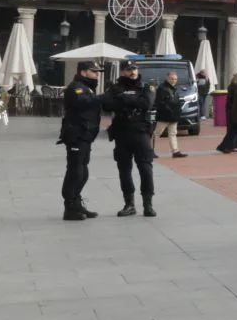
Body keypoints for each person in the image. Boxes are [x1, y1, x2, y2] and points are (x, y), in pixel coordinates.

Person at [104, 60, 157, 217]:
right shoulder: (115, 87)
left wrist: (123, 99)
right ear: (123, 72)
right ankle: (129, 204)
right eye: (128, 69)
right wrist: (131, 101)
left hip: (141, 132)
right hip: (121, 133)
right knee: (124, 170)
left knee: (145, 168)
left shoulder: (146, 87)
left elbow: (147, 103)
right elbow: (106, 104)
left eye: (134, 68)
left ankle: (148, 204)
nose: (132, 71)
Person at [57, 60, 103, 221]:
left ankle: (77, 203)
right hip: (76, 135)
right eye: (94, 71)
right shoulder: (76, 87)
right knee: (75, 171)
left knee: (82, 171)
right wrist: (102, 98)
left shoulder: (88, 87)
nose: (97, 74)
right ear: (83, 72)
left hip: (85, 136)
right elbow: (84, 102)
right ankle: (70, 207)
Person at [154, 71, 186, 158]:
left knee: (172, 133)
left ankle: (175, 151)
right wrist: (168, 110)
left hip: (173, 115)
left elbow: (176, 102)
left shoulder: (174, 88)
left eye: (175, 79)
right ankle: (149, 150)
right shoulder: (162, 88)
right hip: (165, 115)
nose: (173, 80)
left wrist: (177, 111)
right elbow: (159, 102)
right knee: (157, 133)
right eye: (172, 79)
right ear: (167, 78)